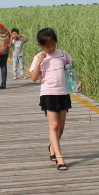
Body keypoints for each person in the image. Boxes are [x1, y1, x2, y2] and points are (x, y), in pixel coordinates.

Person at [29, 27, 82, 171]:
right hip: (48, 93)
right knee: (53, 125)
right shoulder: (38, 57)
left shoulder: (63, 54)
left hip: (63, 92)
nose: (51, 48)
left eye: (53, 44)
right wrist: (40, 61)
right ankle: (59, 158)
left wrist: (78, 81)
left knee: (61, 127)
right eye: (47, 45)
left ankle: (52, 147)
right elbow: (34, 78)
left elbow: (70, 71)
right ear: (40, 45)